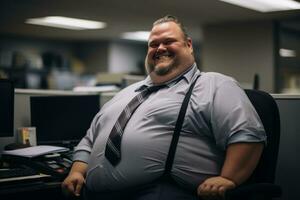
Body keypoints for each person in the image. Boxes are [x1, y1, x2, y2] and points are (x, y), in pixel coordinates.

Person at [61, 15, 266, 200]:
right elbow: (89, 140)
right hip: (91, 193)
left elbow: (247, 134)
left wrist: (228, 178)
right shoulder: (126, 93)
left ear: (189, 45)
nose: (159, 48)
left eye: (168, 41)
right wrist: (77, 172)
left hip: (160, 191)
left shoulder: (214, 84)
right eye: (153, 44)